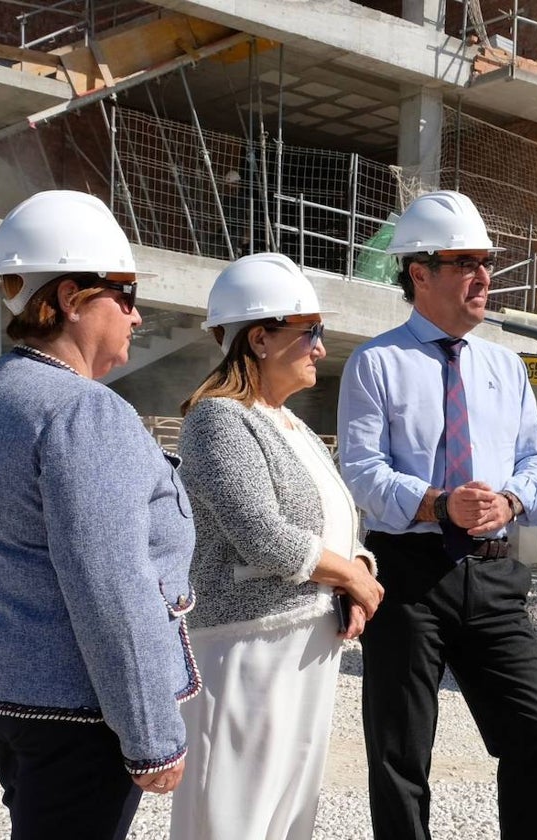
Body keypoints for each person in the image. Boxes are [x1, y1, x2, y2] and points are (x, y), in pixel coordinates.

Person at [0, 190, 197, 839]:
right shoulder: (84, 412)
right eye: (128, 294)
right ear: (75, 298)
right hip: (75, 707)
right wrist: (152, 736)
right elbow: (111, 584)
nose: (138, 317)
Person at [337, 190, 537, 840]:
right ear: (420, 273)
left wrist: (511, 501)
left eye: (486, 262)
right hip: (408, 581)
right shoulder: (376, 364)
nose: (484, 277)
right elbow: (362, 472)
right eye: (466, 263)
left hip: (495, 581)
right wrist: (438, 503)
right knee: (401, 754)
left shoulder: (505, 366)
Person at [170, 253, 384, 840]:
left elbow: (338, 520)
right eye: (310, 331)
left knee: (288, 817)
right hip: (247, 646)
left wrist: (358, 568)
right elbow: (261, 534)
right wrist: (353, 578)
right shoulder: (218, 419)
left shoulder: (292, 425)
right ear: (260, 337)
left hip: (307, 641)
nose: (320, 347)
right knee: (234, 815)